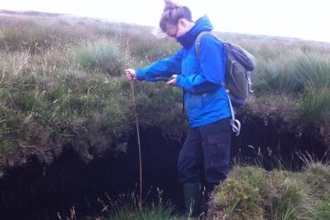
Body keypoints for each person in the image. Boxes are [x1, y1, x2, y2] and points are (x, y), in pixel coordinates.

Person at [125, 0, 232, 218]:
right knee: (186, 164)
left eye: (173, 33)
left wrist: (182, 81)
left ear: (182, 22)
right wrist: (139, 73)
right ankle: (194, 214)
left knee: (216, 173)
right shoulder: (188, 49)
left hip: (215, 119)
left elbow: (212, 80)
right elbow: (167, 65)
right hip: (198, 121)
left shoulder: (207, 41)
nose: (174, 39)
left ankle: (219, 214)